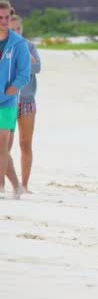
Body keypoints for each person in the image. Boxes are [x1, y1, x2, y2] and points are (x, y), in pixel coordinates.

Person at [0, 15, 41, 194]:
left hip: (26, 101)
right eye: (13, 28)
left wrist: (23, 62)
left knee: (25, 143)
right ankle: (5, 184)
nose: (16, 32)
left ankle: (24, 185)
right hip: (9, 102)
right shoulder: (9, 46)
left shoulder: (28, 46)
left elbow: (37, 67)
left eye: (19, 29)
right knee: (5, 146)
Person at [0, 0, 30, 199]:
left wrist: (12, 90)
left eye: (6, 18)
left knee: (2, 144)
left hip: (7, 101)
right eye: (0, 18)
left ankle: (0, 187)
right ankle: (16, 185)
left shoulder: (18, 43)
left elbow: (24, 73)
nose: (3, 21)